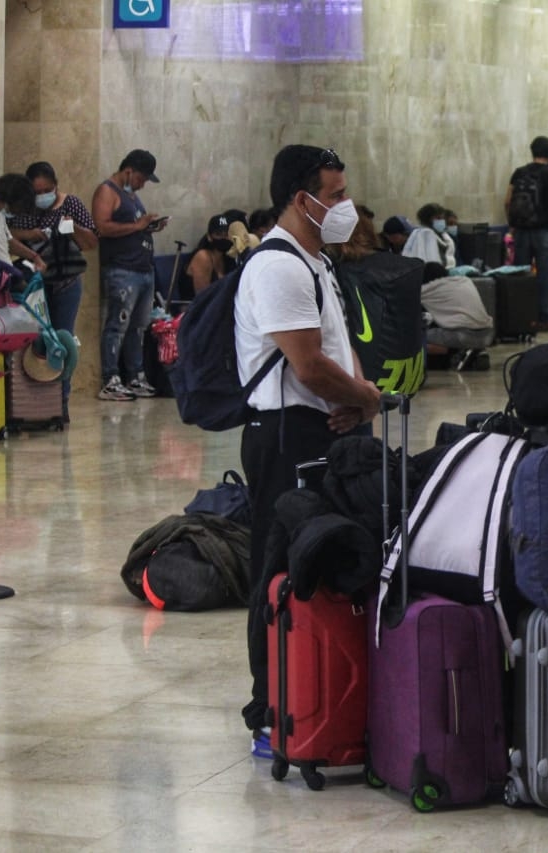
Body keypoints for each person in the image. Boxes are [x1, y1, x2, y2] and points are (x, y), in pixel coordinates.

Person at [234, 144, 380, 752]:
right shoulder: (278, 266)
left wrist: (358, 390)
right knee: (279, 568)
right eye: (337, 194)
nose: (346, 205)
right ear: (303, 199)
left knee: (325, 561)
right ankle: (272, 708)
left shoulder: (315, 260)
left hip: (323, 430)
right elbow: (307, 364)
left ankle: (318, 694)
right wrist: (366, 399)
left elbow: (337, 348)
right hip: (287, 436)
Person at [9, 163, 94, 415]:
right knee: (35, 342)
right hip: (33, 285)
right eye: (38, 191)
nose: (43, 195)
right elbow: (5, 234)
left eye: (48, 190)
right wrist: (31, 233)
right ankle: (33, 402)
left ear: (56, 184)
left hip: (67, 283)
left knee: (63, 339)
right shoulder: (21, 206)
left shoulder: (72, 204)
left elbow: (90, 242)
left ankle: (61, 402)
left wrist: (72, 227)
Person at [91, 149, 166, 401]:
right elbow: (101, 227)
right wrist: (138, 226)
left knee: (138, 328)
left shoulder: (131, 196)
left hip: (143, 269)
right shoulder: (107, 191)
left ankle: (136, 375)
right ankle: (111, 378)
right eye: (141, 179)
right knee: (118, 325)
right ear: (129, 171)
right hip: (122, 271)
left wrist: (149, 227)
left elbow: (134, 228)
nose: (142, 184)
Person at [506, 135, 548, 328]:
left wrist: (513, 225)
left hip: (522, 230)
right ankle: (542, 316)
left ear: (532, 151)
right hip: (543, 230)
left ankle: (521, 315)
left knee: (521, 273)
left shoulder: (518, 173)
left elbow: (507, 202)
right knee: (544, 274)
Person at [419, 262, 495, 365]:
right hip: (488, 333)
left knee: (417, 338)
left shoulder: (427, 289)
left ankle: (456, 354)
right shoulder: (464, 281)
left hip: (463, 335)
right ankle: (475, 352)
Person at [0, 174, 44, 268]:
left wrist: (34, 257)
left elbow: (8, 240)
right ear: (7, 202)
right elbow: (6, 268)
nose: (16, 214)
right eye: (17, 210)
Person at [185, 214, 236, 296]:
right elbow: (202, 296)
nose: (223, 238)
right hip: (196, 306)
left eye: (227, 234)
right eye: (219, 234)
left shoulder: (228, 257)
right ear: (209, 236)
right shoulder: (203, 257)